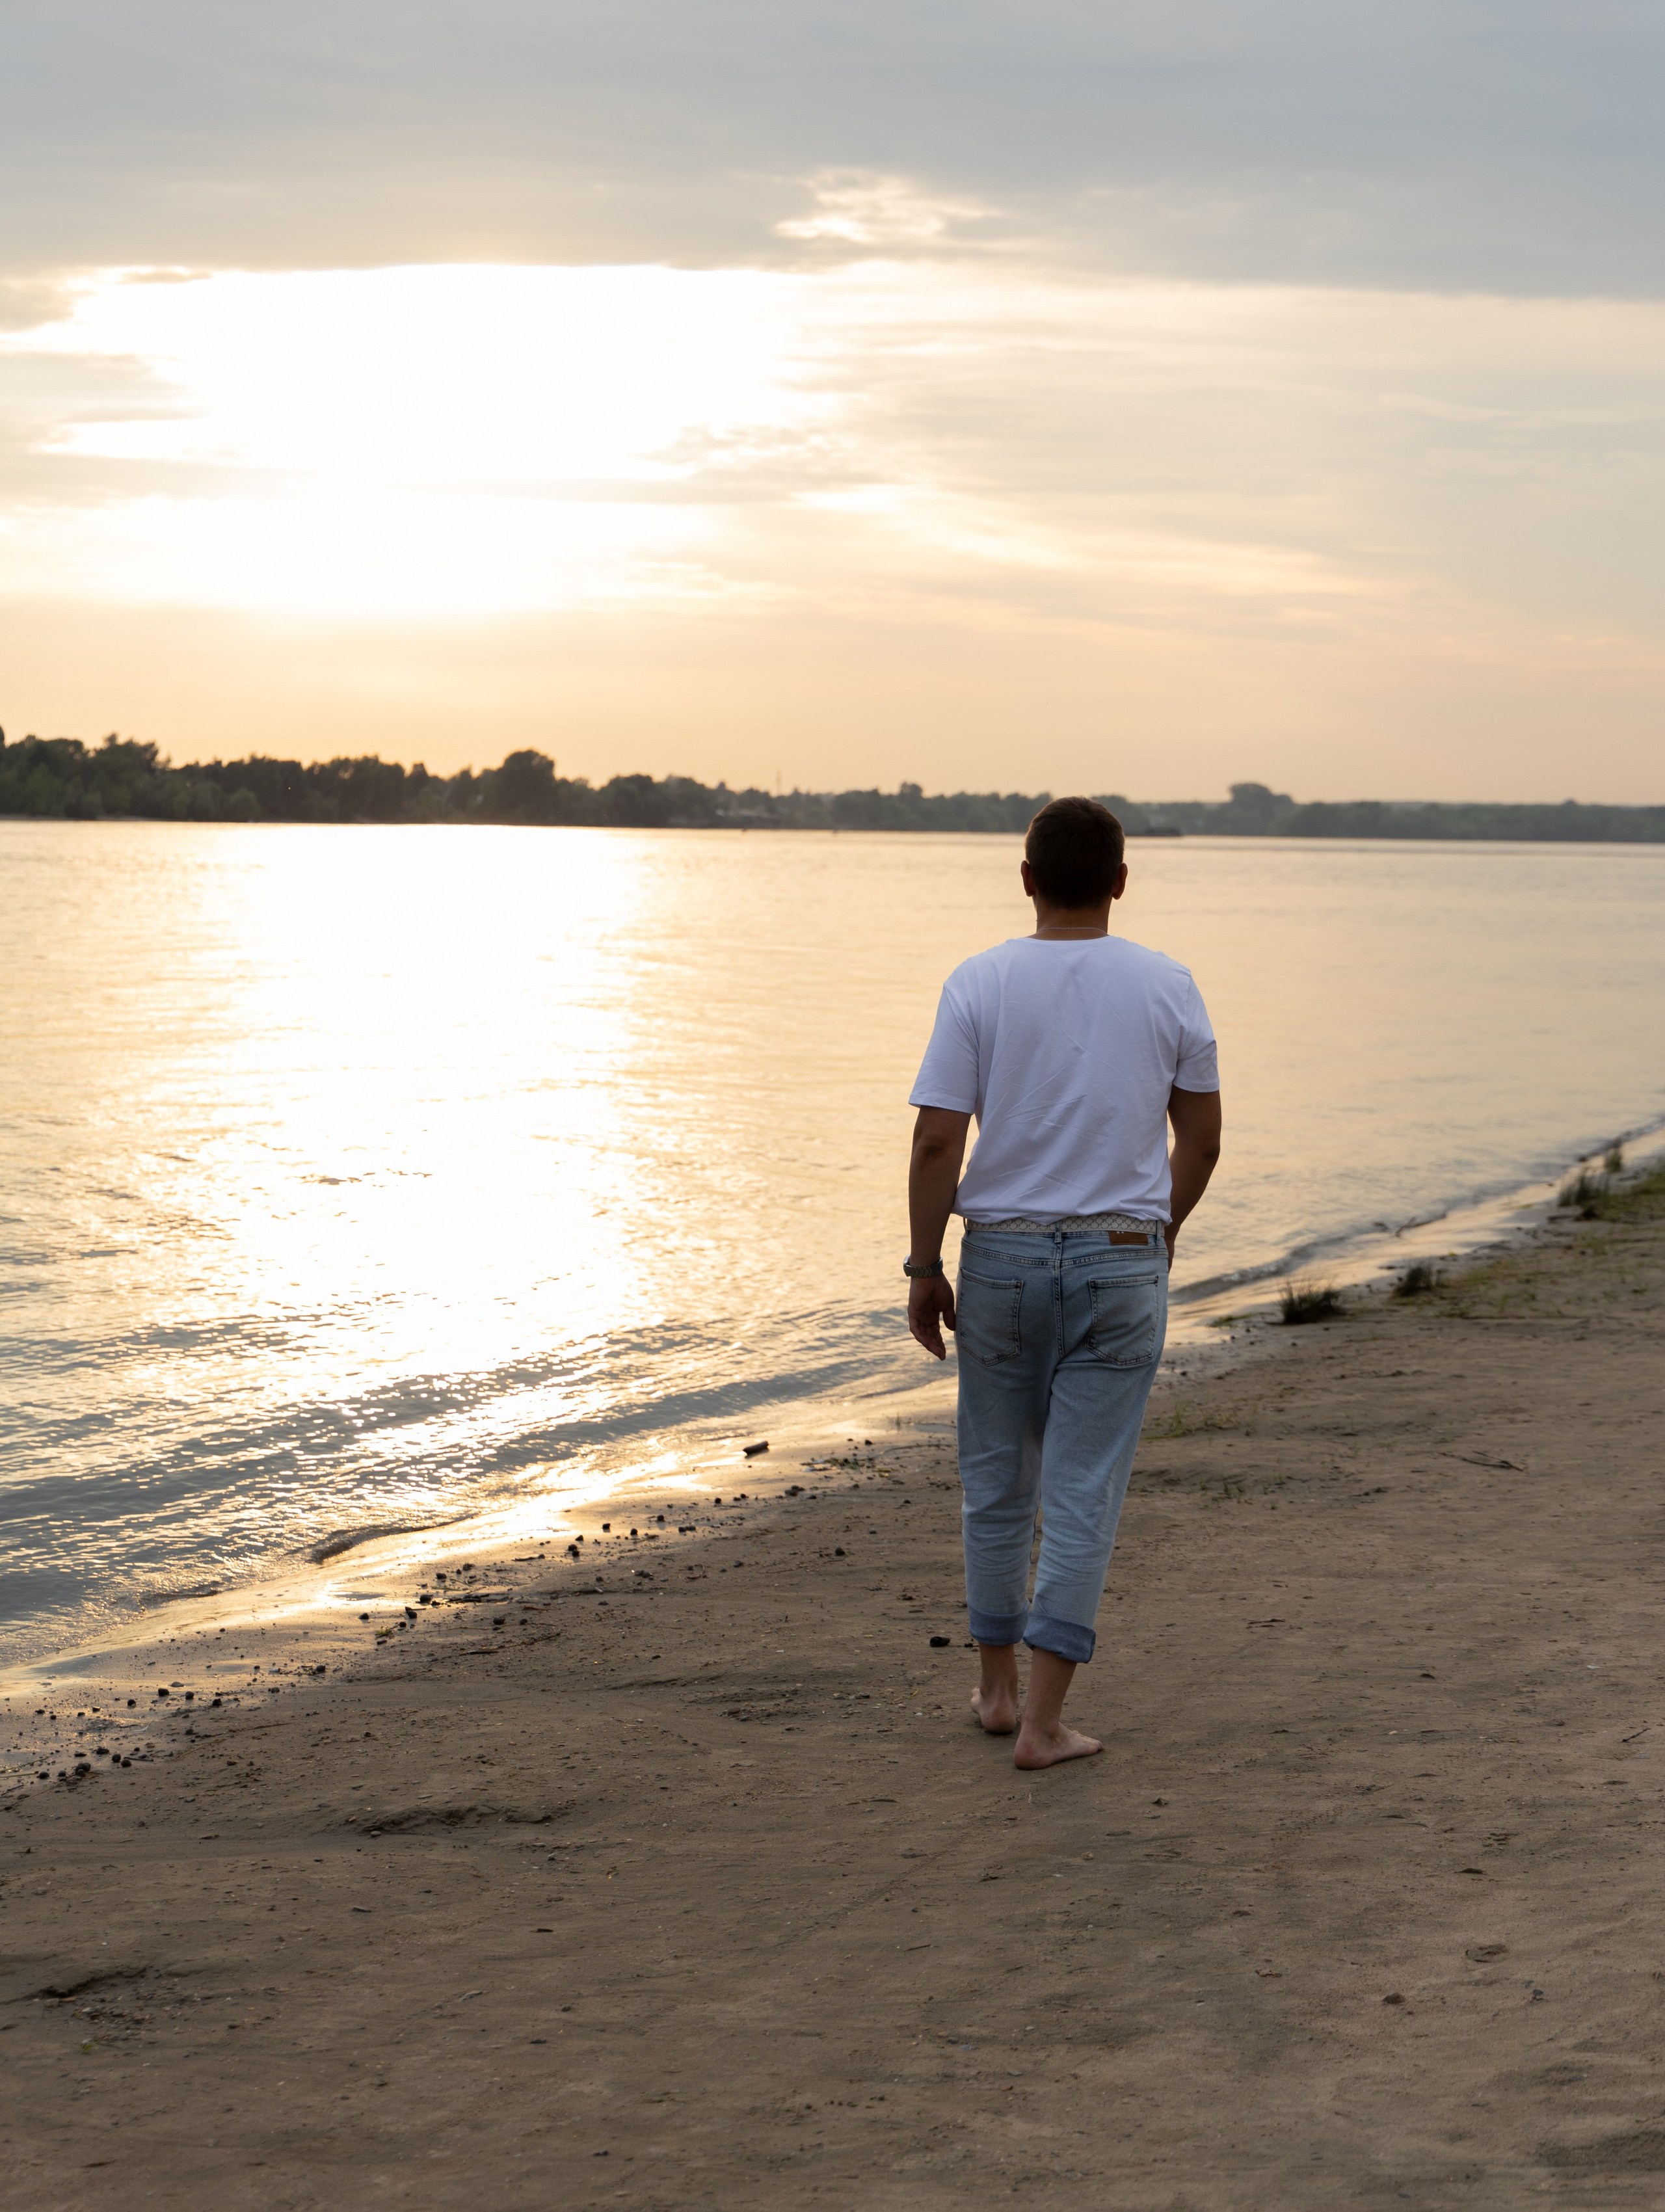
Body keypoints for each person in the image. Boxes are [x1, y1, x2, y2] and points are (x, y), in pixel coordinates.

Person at [905, 795, 1221, 1770]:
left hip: (997, 1259)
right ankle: (1043, 1724)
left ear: (1027, 877)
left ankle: (996, 1693)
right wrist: (1155, 1228)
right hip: (1120, 1259)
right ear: (1121, 881)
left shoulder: (980, 982)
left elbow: (936, 1139)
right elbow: (1201, 1139)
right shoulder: (1169, 984)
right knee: (1083, 1492)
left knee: (996, 1482)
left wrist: (924, 1265)